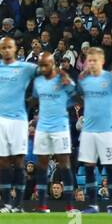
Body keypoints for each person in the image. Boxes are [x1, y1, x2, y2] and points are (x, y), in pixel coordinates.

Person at [0, 36, 37, 211]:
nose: (6, 50)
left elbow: (47, 71)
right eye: (3, 47)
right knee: (3, 162)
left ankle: (19, 204)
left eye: (9, 47)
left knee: (19, 161)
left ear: (15, 49)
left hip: (18, 120)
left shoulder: (26, 67)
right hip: (0, 120)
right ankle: (7, 204)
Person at [76, 46, 112, 212]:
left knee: (110, 166)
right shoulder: (83, 80)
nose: (91, 63)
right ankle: (93, 205)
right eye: (89, 60)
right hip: (88, 130)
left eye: (94, 60)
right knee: (89, 166)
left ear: (102, 61)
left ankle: (111, 204)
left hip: (106, 130)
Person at [32, 52, 77, 213]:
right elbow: (37, 100)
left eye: (46, 64)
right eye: (40, 65)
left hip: (60, 127)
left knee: (64, 164)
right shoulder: (38, 82)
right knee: (42, 164)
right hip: (43, 127)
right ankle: (42, 205)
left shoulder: (64, 80)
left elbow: (76, 97)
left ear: (53, 64)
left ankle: (70, 206)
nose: (43, 68)